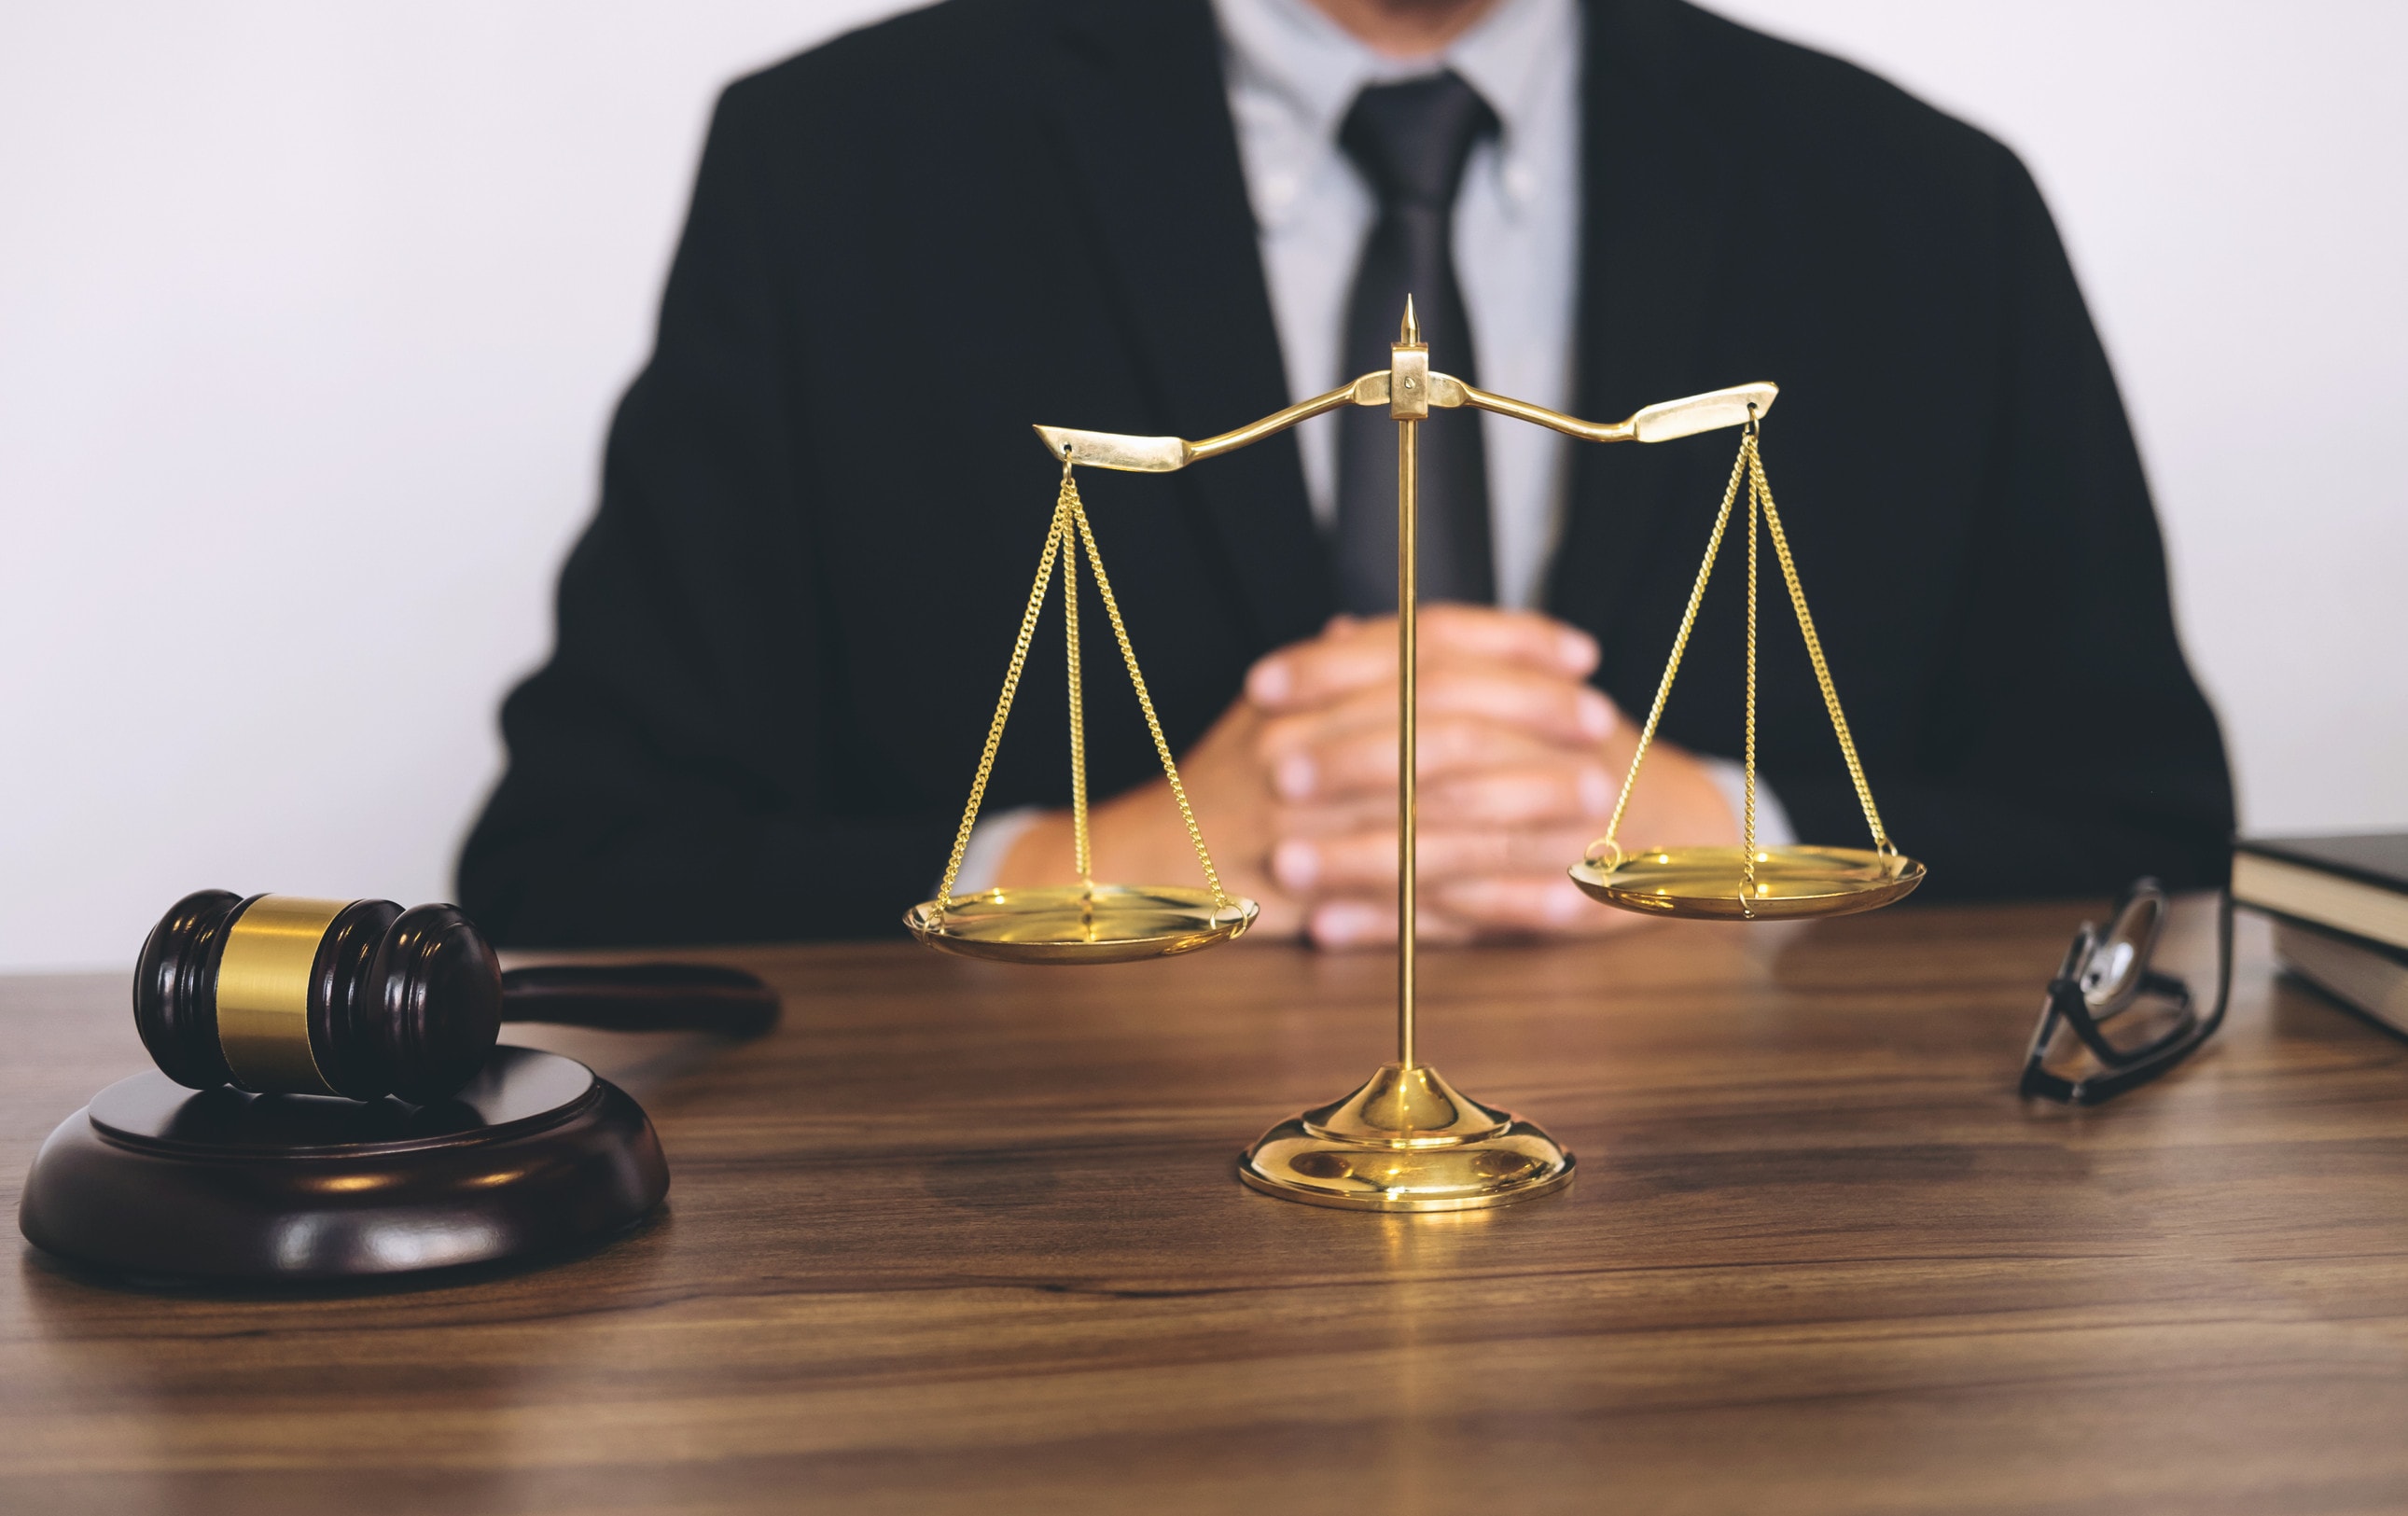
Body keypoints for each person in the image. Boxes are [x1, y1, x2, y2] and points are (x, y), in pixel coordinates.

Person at [458, 0, 2234, 949]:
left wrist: (1735, 836)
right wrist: (1081, 863)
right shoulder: (836, 174)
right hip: (1043, 1315)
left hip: (1743, 1313)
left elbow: (2148, 832)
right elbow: (571, 868)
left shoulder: (1925, 204)